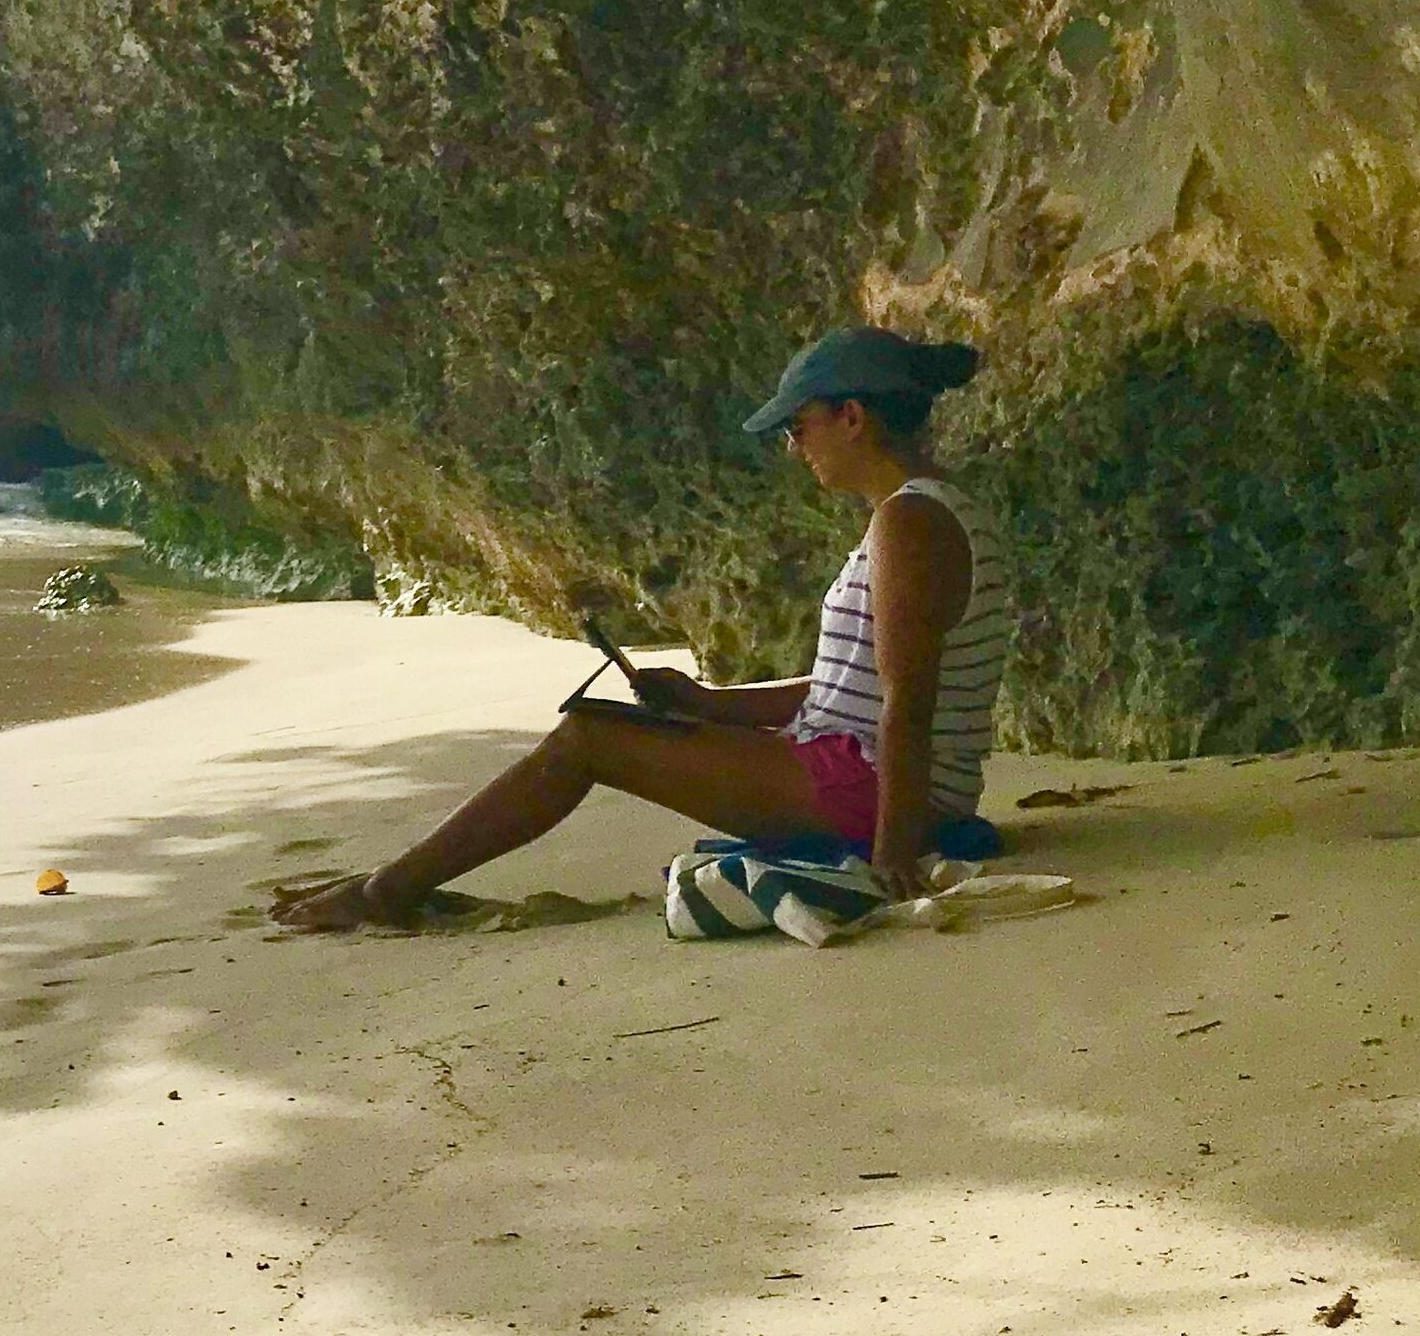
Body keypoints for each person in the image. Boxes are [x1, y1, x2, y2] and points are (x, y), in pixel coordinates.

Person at [275, 327, 1010, 931]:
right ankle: (393, 885)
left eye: (798, 425)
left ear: (852, 417)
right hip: (858, 771)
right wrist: (707, 702)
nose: (794, 446)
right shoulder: (921, 514)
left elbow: (907, 699)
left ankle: (387, 894)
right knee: (609, 728)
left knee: (586, 740)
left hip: (867, 789)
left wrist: (890, 860)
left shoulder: (910, 522)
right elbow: (850, 689)